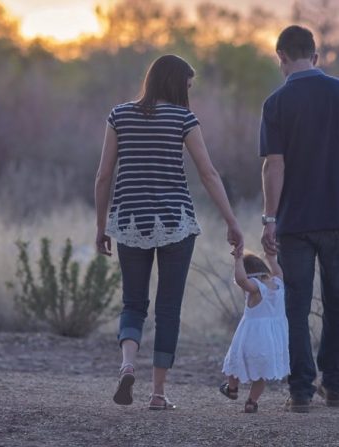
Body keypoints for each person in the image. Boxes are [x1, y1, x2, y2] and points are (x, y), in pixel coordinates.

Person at [94, 54, 244, 411]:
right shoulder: (183, 119)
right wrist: (231, 221)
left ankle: (128, 364)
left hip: (129, 221)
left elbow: (103, 176)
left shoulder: (119, 115)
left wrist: (102, 226)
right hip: (176, 222)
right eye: (188, 86)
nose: (189, 93)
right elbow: (208, 174)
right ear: (177, 84)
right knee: (168, 309)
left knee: (133, 302)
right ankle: (158, 393)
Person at [259, 26, 339, 412]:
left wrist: (269, 218)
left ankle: (300, 391)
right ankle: (335, 385)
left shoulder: (276, 103)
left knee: (296, 306)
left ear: (281, 57)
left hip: (295, 224)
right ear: (315, 56)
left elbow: (273, 166)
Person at [219, 250, 290, 413]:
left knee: (235, 362)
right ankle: (251, 402)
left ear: (249, 274)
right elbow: (278, 270)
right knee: (261, 373)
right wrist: (271, 257)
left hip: (252, 337)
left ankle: (232, 388)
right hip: (272, 340)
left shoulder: (256, 288)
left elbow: (241, 280)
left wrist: (238, 260)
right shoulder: (278, 283)